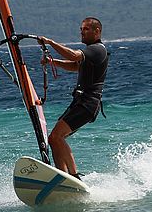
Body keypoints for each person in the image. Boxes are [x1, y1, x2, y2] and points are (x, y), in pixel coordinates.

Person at [39, 17, 108, 179]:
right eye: (81, 29)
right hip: (80, 103)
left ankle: (73, 175)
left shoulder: (97, 49)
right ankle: (63, 176)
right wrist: (52, 62)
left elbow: (74, 56)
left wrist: (51, 43)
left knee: (56, 136)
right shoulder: (91, 52)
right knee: (54, 139)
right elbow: (75, 66)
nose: (82, 32)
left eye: (86, 29)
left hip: (87, 104)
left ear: (97, 31)